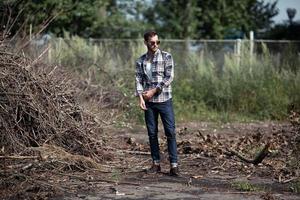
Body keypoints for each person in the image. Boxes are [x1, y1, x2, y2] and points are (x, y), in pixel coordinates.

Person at [135, 30, 179, 176]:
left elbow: (169, 77)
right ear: (146, 42)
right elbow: (138, 81)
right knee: (152, 133)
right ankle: (156, 164)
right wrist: (141, 99)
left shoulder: (167, 57)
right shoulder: (141, 61)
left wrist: (154, 91)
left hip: (164, 100)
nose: (155, 45)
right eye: (152, 42)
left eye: (157, 42)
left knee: (170, 132)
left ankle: (174, 166)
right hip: (149, 103)